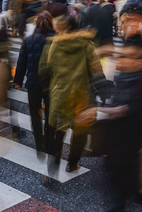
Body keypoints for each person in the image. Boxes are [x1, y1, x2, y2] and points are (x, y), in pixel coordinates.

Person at [39, 14, 108, 176]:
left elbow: (43, 71)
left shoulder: (51, 46)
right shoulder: (86, 44)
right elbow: (96, 70)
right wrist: (103, 91)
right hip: (82, 95)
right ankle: (72, 162)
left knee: (58, 130)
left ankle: (54, 159)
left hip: (59, 94)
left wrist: (48, 90)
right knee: (80, 131)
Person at [13, 12, 55, 157]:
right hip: (52, 84)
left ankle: (39, 145)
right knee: (51, 115)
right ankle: (50, 143)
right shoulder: (56, 40)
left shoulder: (28, 40)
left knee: (35, 114)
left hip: (33, 83)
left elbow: (21, 63)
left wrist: (17, 80)